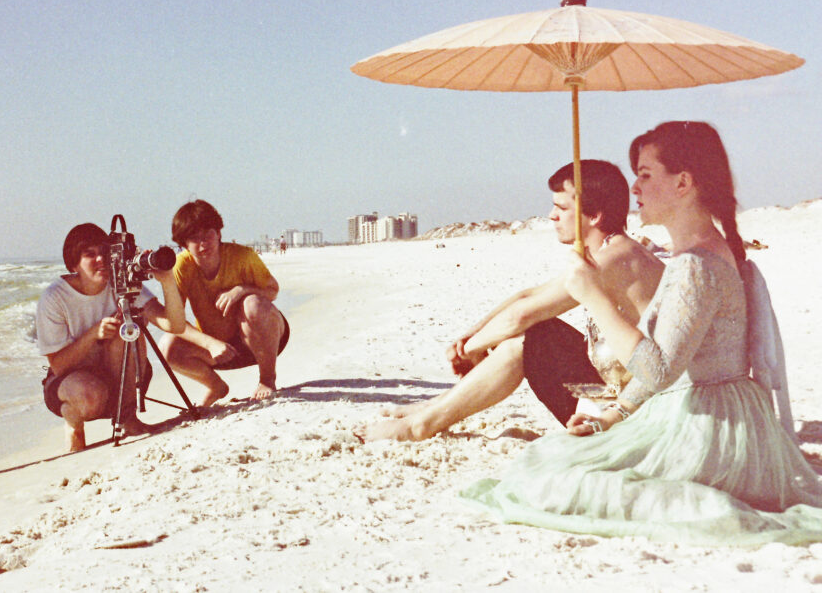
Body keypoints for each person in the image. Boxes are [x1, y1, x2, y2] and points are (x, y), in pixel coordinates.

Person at [461, 121, 822, 545]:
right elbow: (674, 361)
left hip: (708, 429)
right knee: (560, 461)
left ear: (683, 183)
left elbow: (657, 369)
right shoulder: (697, 255)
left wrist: (591, 295)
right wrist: (612, 416)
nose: (634, 188)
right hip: (720, 415)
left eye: (646, 175)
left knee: (555, 478)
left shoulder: (695, 265)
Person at [358, 160, 663, 441]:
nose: (551, 215)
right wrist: (472, 336)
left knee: (528, 340)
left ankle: (422, 425)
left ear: (594, 216)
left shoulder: (614, 260)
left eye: (561, 207)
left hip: (631, 407)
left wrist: (471, 350)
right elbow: (528, 296)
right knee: (540, 333)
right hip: (616, 383)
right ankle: (435, 406)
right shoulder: (612, 250)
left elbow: (522, 317)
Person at [36, 223, 185, 452]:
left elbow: (174, 325)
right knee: (89, 397)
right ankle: (73, 419)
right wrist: (94, 334)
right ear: (74, 264)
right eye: (90, 254)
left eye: (105, 253)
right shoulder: (55, 296)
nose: (101, 260)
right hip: (71, 382)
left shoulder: (121, 282)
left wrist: (167, 281)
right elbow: (58, 365)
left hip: (123, 374)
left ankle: (128, 418)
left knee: (128, 330)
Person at [158, 199, 289, 405]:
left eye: (207, 234)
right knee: (167, 345)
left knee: (252, 304)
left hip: (263, 341)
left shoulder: (242, 256)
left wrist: (241, 290)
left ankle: (267, 380)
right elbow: (175, 320)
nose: (203, 244)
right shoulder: (182, 266)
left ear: (218, 233)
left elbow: (272, 290)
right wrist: (210, 343)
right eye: (194, 238)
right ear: (184, 244)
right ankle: (215, 386)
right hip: (221, 350)